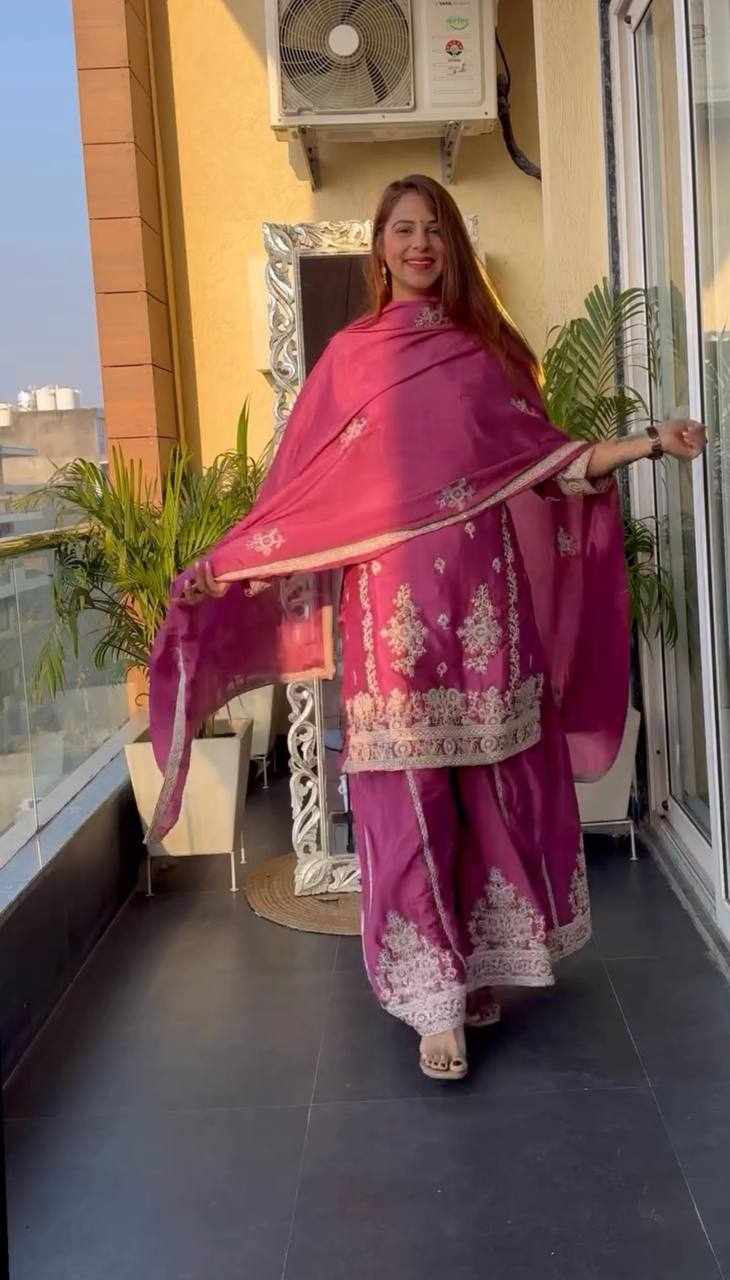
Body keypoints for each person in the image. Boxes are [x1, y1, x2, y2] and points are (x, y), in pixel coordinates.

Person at [149, 174, 706, 1082]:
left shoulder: (483, 356)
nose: (420, 245)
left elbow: (550, 461)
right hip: (390, 619)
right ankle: (432, 1002)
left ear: (452, 248)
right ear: (379, 246)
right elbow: (299, 495)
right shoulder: (349, 361)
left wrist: (648, 441)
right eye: (404, 230)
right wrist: (232, 561)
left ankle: (474, 967)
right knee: (404, 802)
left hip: (486, 611)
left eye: (435, 230)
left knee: (487, 794)